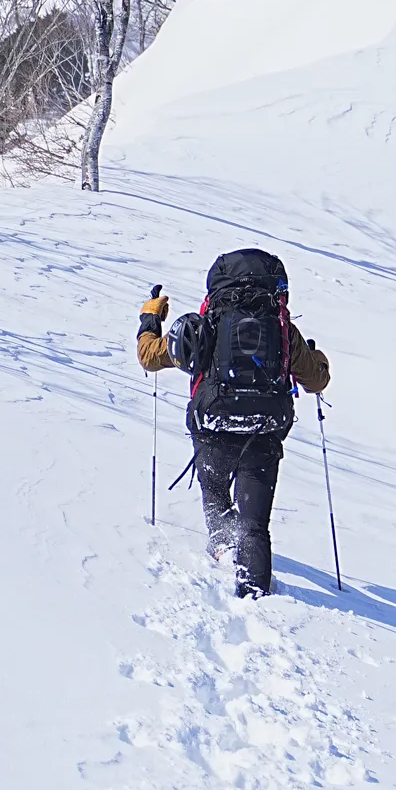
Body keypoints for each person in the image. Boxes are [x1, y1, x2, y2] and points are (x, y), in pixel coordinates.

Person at [137, 249, 330, 599]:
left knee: (214, 489)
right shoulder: (282, 328)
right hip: (265, 431)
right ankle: (255, 599)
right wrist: (318, 359)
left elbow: (149, 358)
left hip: (213, 426)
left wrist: (150, 319)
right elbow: (316, 381)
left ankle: (223, 545)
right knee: (256, 526)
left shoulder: (206, 322)